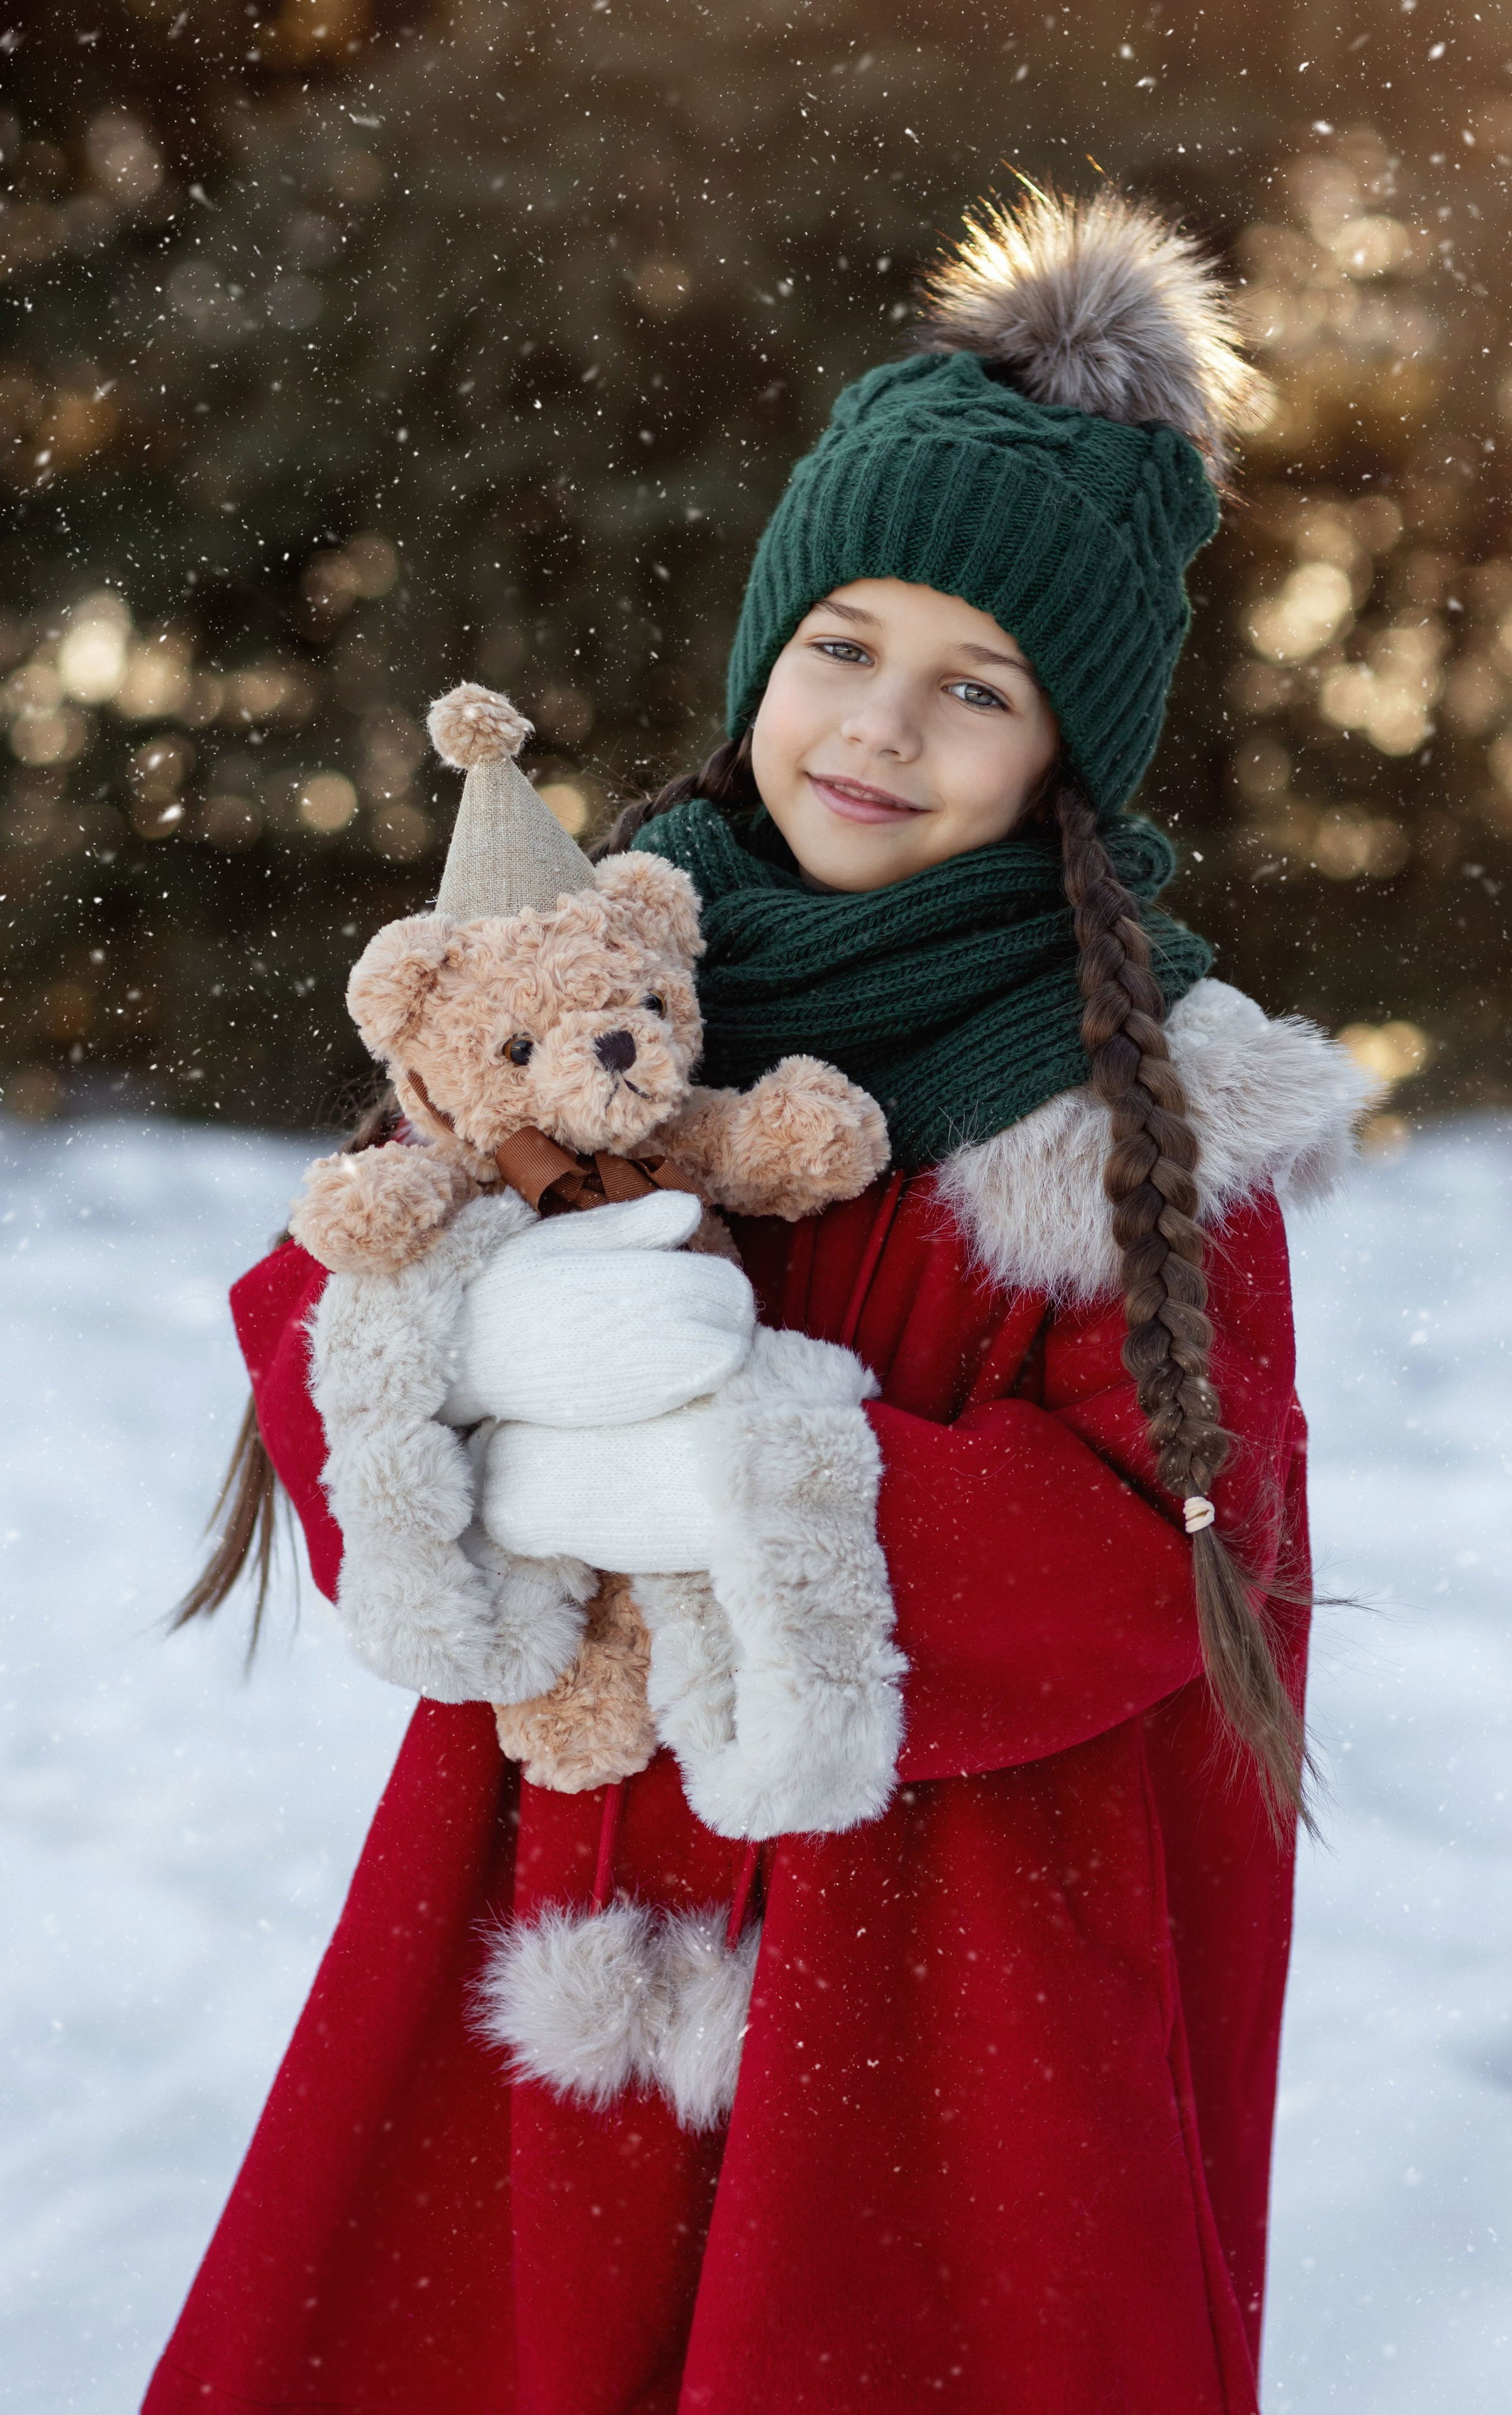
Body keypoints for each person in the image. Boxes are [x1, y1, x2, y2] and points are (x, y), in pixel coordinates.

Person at [144, 187, 1374, 2415]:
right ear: (764, 649)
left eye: (975, 686)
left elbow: (1157, 1563)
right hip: (562, 1885)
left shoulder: (1134, 1118)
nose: (879, 726)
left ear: (1063, 753)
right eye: (843, 643)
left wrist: (724, 1464)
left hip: (938, 1969)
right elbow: (318, 1299)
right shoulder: (607, 968)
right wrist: (483, 1365)